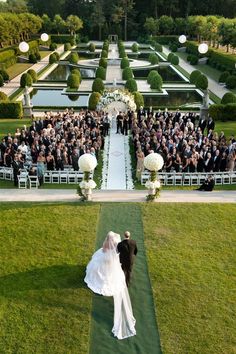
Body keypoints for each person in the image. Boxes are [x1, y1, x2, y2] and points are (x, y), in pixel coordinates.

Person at [84, 231, 136, 340]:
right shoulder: (118, 243)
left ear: (108, 238)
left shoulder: (108, 243)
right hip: (111, 261)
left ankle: (101, 280)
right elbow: (117, 252)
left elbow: (104, 250)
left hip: (106, 260)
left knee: (98, 263)